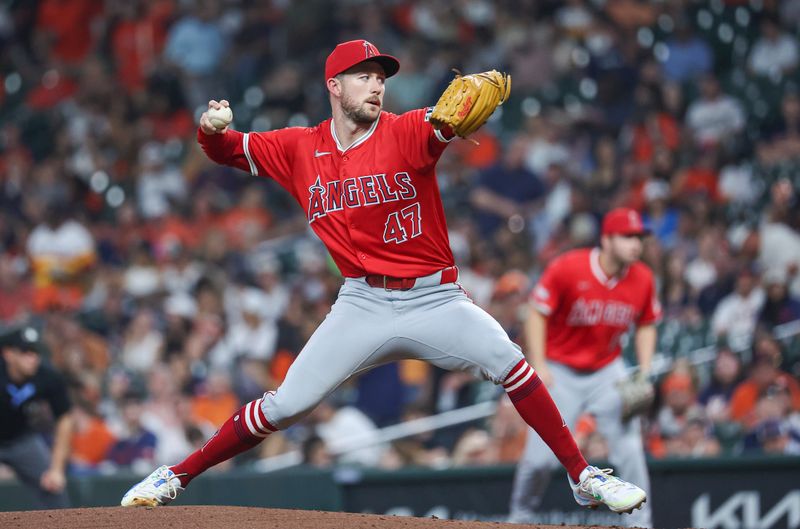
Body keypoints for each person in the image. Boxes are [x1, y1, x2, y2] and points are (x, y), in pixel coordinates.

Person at [121, 39, 646, 515]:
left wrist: (448, 124)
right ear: (334, 85)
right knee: (284, 405)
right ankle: (176, 475)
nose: (377, 84)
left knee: (511, 363)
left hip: (435, 299)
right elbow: (226, 149)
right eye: (364, 75)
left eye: (381, 76)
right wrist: (208, 131)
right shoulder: (300, 147)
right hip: (361, 304)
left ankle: (582, 475)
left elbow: (442, 126)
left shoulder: (408, 129)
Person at [509, 208, 659, 527]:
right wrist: (539, 364)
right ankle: (518, 519)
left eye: (640, 238)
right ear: (606, 239)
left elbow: (647, 323)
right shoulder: (569, 267)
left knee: (630, 449)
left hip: (607, 370)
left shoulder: (643, 278)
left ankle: (640, 525)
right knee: (537, 461)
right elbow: (536, 313)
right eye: (628, 236)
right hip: (561, 369)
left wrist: (644, 370)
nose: (636, 244)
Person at [0, 323, 73, 508]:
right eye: (26, 352)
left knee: (54, 486)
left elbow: (65, 418)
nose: (33, 358)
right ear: (8, 354)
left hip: (20, 439)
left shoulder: (46, 375)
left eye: (35, 352)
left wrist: (56, 469)